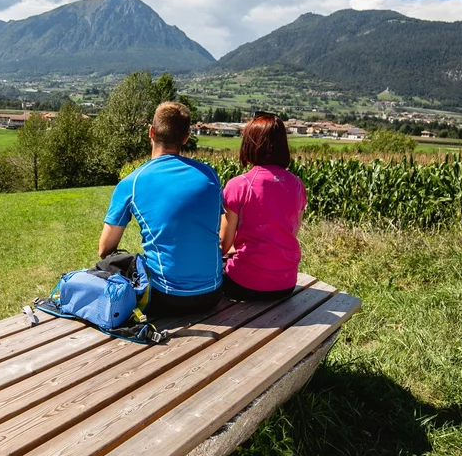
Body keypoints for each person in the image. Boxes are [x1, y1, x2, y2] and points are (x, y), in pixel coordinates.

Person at [98, 102, 224, 317]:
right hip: (212, 294)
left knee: (107, 265)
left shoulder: (132, 182)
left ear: (151, 132)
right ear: (186, 137)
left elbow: (105, 249)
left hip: (165, 297)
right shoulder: (209, 175)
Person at [219, 114, 307, 302]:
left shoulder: (238, 185)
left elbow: (223, 245)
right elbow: (289, 233)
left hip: (244, 284)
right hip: (286, 284)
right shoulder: (298, 185)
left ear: (250, 144)